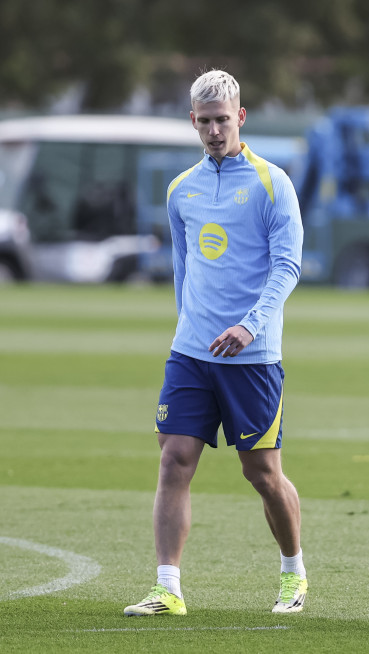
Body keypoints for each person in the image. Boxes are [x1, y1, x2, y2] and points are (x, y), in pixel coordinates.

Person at [124, 70, 307, 616]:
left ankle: (293, 572)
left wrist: (250, 325)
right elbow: (184, 267)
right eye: (203, 122)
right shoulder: (181, 188)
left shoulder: (273, 182)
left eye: (222, 120)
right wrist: (189, 327)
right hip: (191, 354)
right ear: (192, 121)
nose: (213, 131)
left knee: (262, 473)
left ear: (241, 117)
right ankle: (167, 587)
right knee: (174, 459)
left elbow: (288, 264)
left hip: (252, 356)